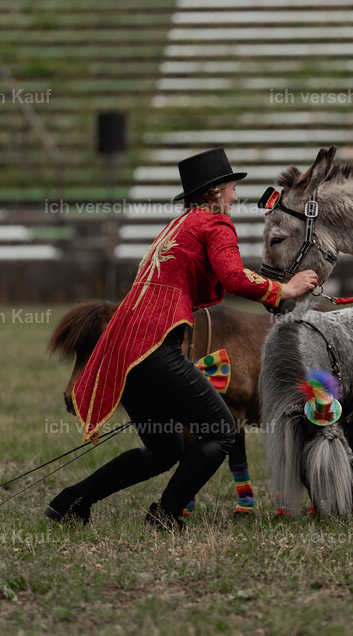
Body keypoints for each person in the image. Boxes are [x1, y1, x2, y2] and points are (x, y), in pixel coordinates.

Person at [45, 148, 318, 531]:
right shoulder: (215, 224)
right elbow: (233, 276)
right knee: (223, 431)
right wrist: (285, 289)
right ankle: (165, 514)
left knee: (163, 450)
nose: (235, 195)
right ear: (214, 192)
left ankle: (68, 503)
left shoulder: (179, 226)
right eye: (231, 187)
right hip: (157, 345)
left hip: (128, 352)